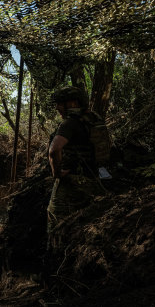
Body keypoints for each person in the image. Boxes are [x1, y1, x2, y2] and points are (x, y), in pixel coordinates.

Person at [47, 86, 107, 243]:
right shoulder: (94, 119)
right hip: (94, 180)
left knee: (56, 224)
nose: (57, 107)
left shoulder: (70, 124)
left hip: (72, 183)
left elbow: (54, 150)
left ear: (73, 103)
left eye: (60, 103)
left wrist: (57, 173)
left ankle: (56, 259)